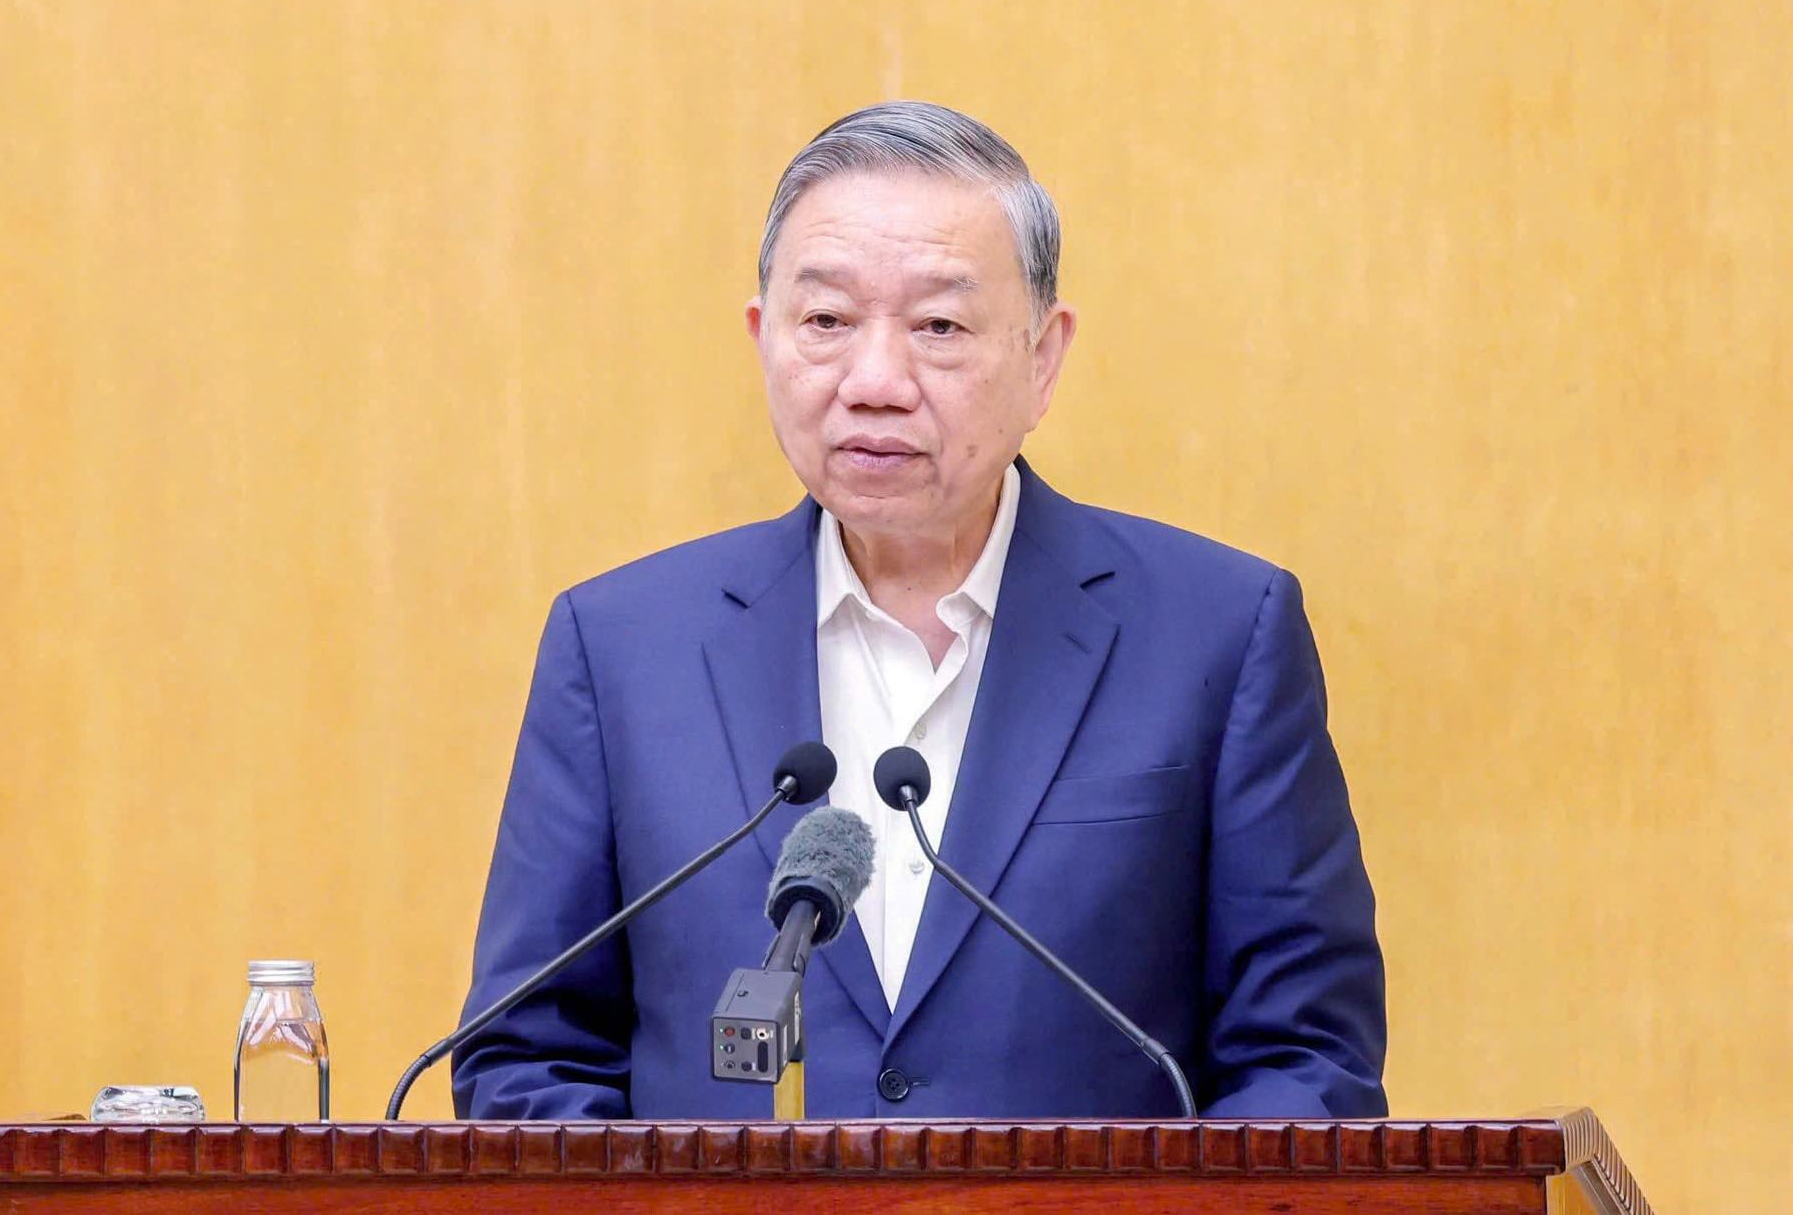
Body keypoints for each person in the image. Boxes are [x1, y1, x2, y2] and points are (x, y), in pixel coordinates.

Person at [453, 101, 1386, 1120]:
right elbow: (526, 1064)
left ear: (1043, 357)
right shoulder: (622, 648)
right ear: (764, 339)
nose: (877, 381)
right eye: (827, 322)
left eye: (939, 326)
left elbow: (1307, 1067)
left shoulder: (1218, 634)